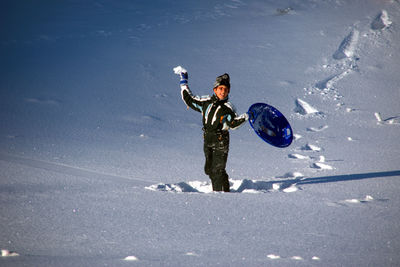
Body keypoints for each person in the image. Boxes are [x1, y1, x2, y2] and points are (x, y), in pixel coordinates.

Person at [174, 66, 249, 192]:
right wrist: (184, 82)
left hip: (221, 140)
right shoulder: (206, 102)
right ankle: (226, 190)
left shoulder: (228, 108)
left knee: (217, 170)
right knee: (209, 169)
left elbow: (233, 124)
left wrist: (246, 117)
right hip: (207, 139)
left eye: (226, 89)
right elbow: (189, 100)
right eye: (220, 88)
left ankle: (219, 197)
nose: (223, 92)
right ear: (215, 89)